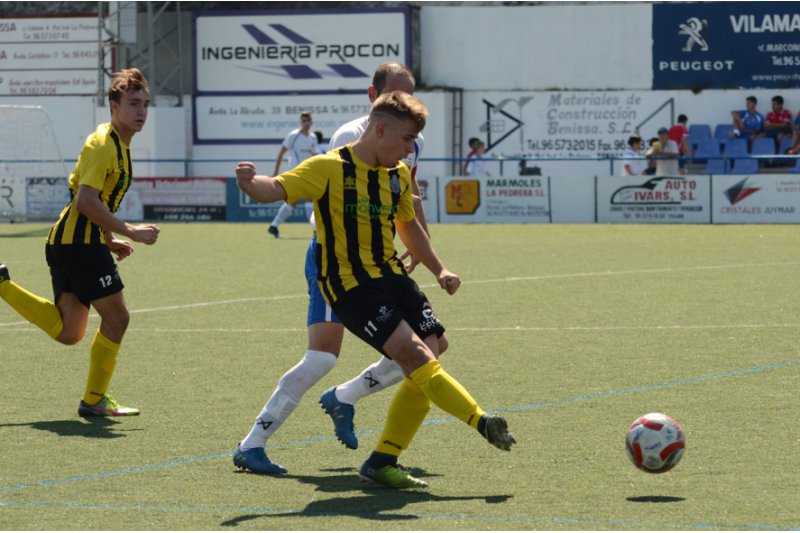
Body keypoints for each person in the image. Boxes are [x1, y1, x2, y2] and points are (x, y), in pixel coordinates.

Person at [235, 91, 515, 489]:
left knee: (434, 348)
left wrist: (439, 269)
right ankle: (481, 421)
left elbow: (408, 226)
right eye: (406, 139)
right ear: (380, 130)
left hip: (391, 276)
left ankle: (383, 459)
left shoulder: (397, 174)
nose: (409, 150)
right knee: (414, 357)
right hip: (352, 285)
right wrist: (250, 183)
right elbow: (275, 188)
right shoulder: (328, 167)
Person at [231, 62, 441, 476]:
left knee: (427, 347)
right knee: (322, 358)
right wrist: (254, 184)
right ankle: (253, 443)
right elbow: (305, 184)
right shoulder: (352, 136)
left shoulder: (410, 139)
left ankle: (345, 396)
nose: (404, 101)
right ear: (373, 97)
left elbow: (409, 194)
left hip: (379, 262)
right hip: (338, 259)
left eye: (410, 93)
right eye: (395, 94)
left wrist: (422, 246)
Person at [0, 68, 160, 417]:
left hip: (74, 242)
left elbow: (96, 200)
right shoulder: (104, 144)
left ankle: (2, 285)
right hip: (78, 245)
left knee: (70, 331)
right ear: (114, 106)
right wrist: (130, 231)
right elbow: (86, 201)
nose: (141, 111)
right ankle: (93, 400)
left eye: (145, 104)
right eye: (133, 103)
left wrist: (109, 238)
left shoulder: (119, 144)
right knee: (117, 318)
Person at [267, 111, 320, 238]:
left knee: (293, 201)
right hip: (294, 173)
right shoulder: (293, 135)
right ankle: (317, 231)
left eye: (308, 120)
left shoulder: (313, 137)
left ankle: (274, 226)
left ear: (312, 122)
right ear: (300, 122)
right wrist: (275, 172)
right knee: (308, 199)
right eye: (304, 120)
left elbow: (313, 155)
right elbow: (281, 153)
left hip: (307, 173)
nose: (306, 123)